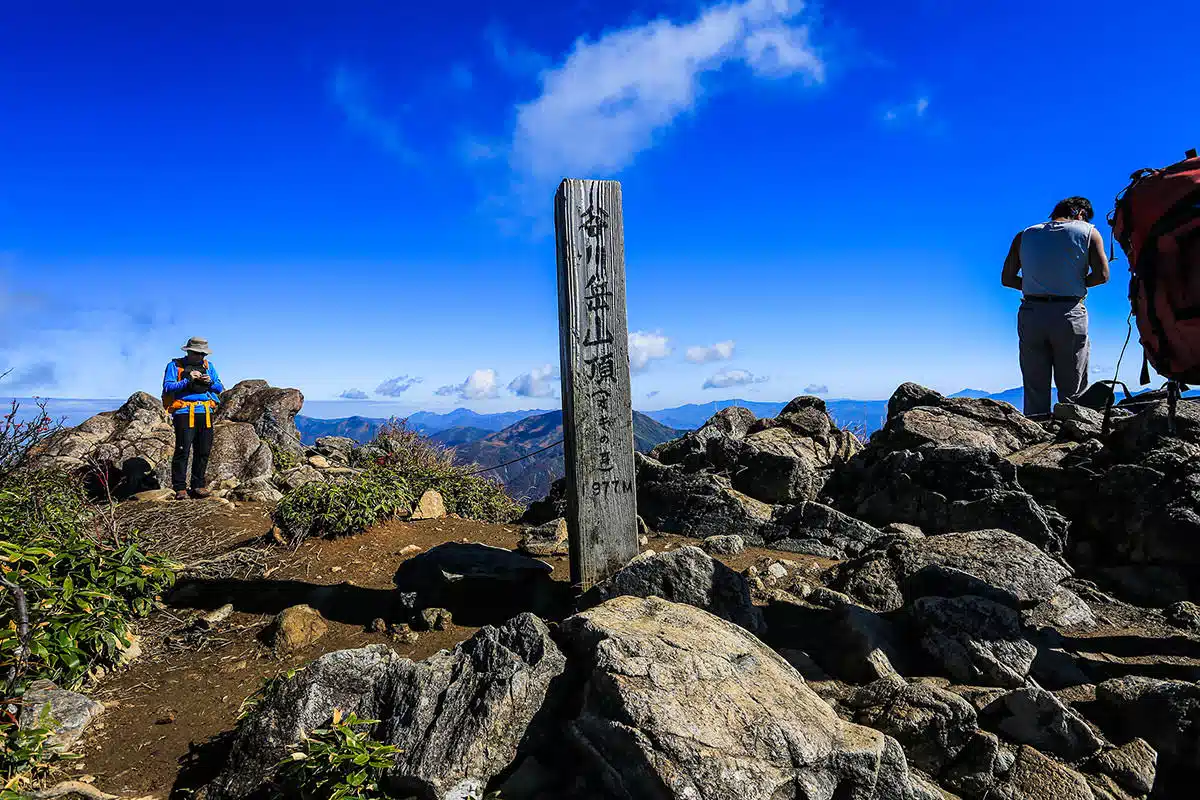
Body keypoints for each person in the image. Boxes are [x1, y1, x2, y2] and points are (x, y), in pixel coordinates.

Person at [1002, 196, 1110, 417]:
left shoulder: (1025, 234)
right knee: (1073, 384)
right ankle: (1072, 430)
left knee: (1034, 384)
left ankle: (1035, 429)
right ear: (1080, 213)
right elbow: (1102, 275)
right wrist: (1075, 283)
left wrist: (1037, 285)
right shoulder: (1088, 232)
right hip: (1068, 312)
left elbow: (1007, 279)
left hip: (1031, 312)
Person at [162, 337, 225, 500]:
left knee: (203, 450)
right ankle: (180, 487)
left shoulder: (208, 367)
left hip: (205, 411)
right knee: (183, 450)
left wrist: (209, 382)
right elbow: (168, 387)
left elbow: (219, 387)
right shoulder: (174, 366)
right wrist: (188, 379)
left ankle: (198, 485)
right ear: (189, 352)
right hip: (184, 411)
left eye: (203, 354)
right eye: (198, 353)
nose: (201, 357)